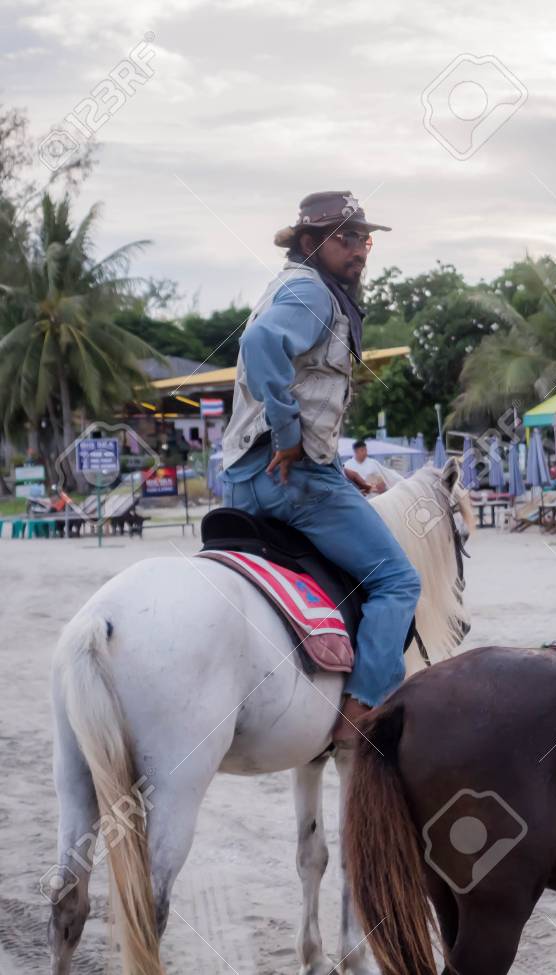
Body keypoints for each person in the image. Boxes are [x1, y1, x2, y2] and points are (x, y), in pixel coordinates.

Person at [220, 191, 420, 742]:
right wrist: (290, 437)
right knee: (398, 581)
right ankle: (362, 710)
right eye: (346, 238)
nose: (359, 250)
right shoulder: (311, 291)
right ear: (310, 243)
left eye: (364, 239)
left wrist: (330, 462)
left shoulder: (286, 286)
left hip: (246, 479)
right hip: (291, 480)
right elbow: (261, 342)